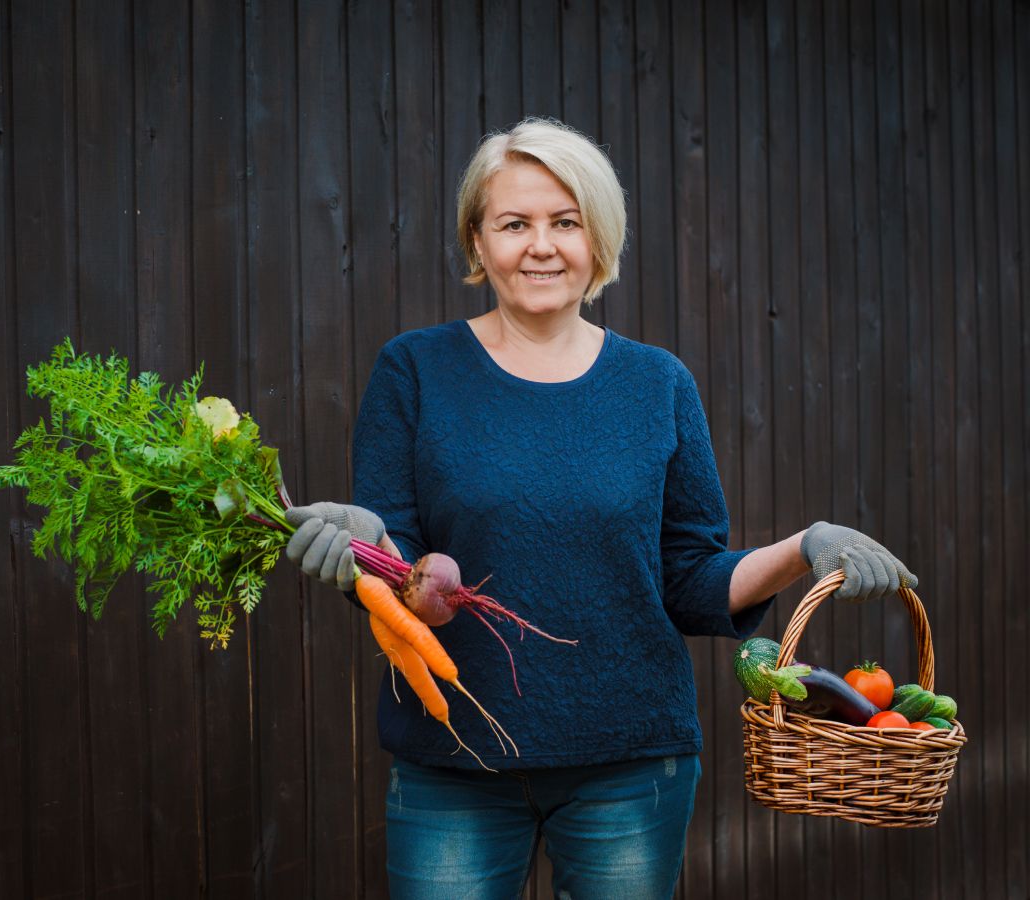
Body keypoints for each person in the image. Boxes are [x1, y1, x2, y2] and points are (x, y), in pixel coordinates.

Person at [284, 118, 915, 900]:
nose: (540, 246)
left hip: (631, 764)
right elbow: (401, 565)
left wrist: (803, 546)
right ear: (477, 244)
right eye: (514, 224)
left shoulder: (658, 385)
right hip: (455, 760)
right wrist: (368, 552)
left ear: (598, 240)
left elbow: (687, 577)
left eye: (565, 222)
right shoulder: (414, 371)